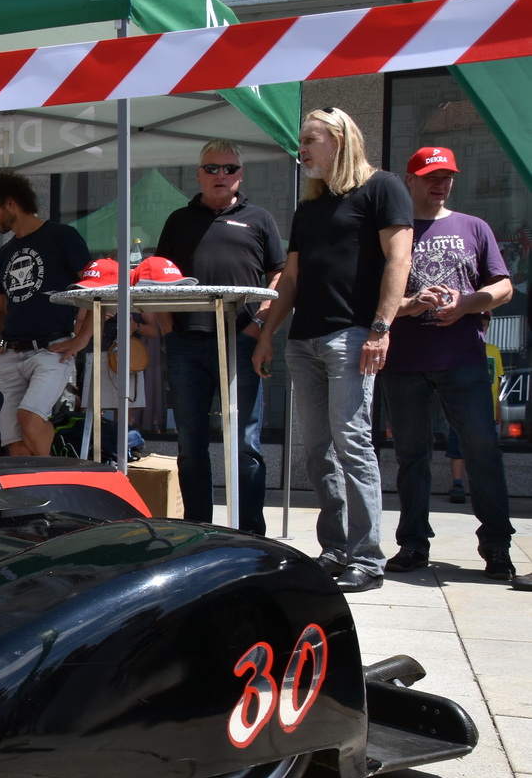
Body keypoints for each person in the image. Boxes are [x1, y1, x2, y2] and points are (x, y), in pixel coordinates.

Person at [253, 107, 413, 593]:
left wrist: (380, 328)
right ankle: (336, 548)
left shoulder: (382, 187)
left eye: (309, 140)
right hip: (304, 340)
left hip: (352, 335)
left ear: (339, 140)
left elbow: (399, 259)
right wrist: (268, 333)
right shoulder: (310, 206)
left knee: (352, 443)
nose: (301, 150)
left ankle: (367, 558)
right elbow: (292, 278)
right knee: (318, 450)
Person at [380, 146, 516, 579]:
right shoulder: (393, 231)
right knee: (411, 457)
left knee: (482, 451)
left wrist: (467, 304)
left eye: (447, 177)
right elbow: (375, 298)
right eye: (431, 177)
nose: (440, 184)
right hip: (404, 362)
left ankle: (496, 546)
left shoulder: (473, 226)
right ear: (411, 180)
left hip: (463, 359)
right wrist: (410, 305)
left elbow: (504, 287)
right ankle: (413, 544)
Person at [154, 140, 286, 535]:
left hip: (242, 343)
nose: (220, 175)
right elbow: (157, 275)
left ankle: (250, 535)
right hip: (186, 343)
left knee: (245, 444)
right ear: (198, 174)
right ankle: (197, 532)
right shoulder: (179, 220)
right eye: (211, 168)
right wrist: (167, 328)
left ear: (240, 175)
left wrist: (258, 326)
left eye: (229, 168)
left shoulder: (259, 219)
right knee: (190, 443)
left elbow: (280, 276)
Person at [0, 173, 92, 455]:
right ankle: (33, 484)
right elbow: (1, 308)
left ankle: (52, 478)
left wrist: (81, 339)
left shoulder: (62, 236)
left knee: (29, 417)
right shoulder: (3, 253)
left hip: (51, 349)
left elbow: (96, 291)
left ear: (10, 203)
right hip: (10, 354)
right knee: (14, 443)